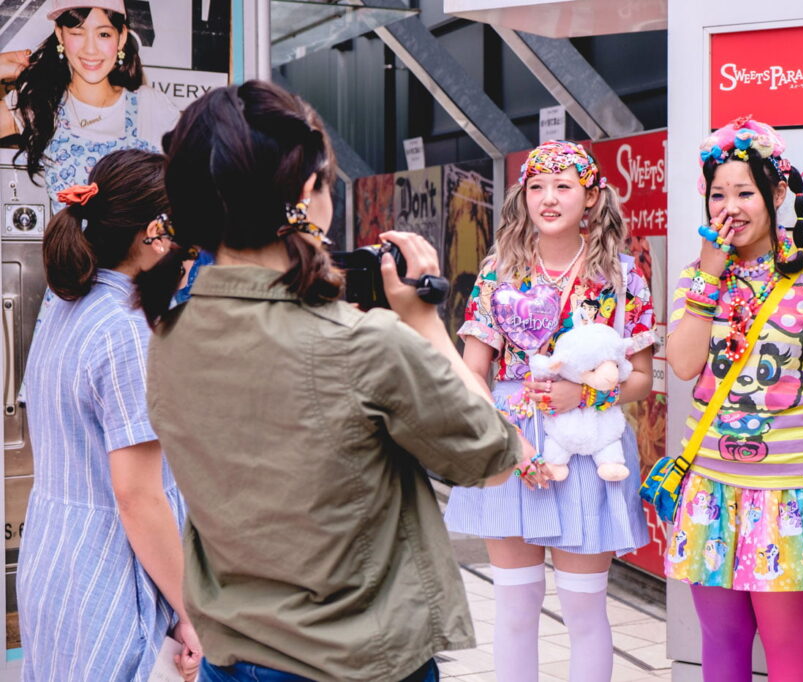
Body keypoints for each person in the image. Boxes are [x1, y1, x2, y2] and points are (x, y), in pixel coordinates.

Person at [136, 80, 531, 682]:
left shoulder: (169, 338)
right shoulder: (363, 343)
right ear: (305, 192)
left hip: (233, 656)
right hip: (356, 663)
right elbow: (499, 457)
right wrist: (424, 321)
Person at [444, 140, 658, 682]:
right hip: (512, 443)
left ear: (591, 197)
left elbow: (641, 381)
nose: (548, 198)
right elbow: (475, 370)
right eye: (536, 186)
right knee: (515, 608)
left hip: (590, 446)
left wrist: (582, 395)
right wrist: (504, 438)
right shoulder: (500, 271)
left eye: (563, 186)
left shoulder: (622, 276)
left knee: (584, 608)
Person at [662, 117, 803, 682]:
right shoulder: (695, 278)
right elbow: (681, 365)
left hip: (788, 493)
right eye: (718, 194)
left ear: (777, 193)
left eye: (745, 192)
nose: (730, 207)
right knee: (721, 643)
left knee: (788, 645)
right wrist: (707, 275)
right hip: (708, 489)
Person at [18, 149, 200, 680]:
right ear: (153, 235)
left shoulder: (66, 307)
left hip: (55, 561)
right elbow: (137, 497)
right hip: (110, 578)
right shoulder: (126, 330)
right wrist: (195, 613)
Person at [0, 0, 179, 215]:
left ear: (121, 37)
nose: (90, 49)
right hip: (69, 249)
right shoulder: (40, 104)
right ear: (60, 35)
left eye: (103, 34)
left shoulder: (151, 106)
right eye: (77, 32)